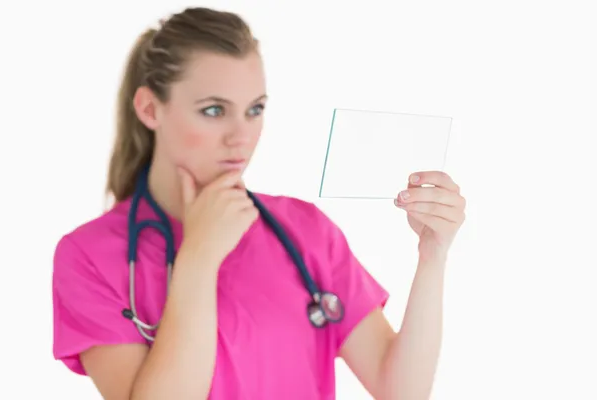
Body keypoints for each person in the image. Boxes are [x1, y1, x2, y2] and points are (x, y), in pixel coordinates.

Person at [51, 6, 466, 400]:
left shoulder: (304, 230)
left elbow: (401, 390)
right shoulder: (89, 256)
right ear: (149, 108)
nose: (241, 135)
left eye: (255, 109)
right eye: (213, 110)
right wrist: (198, 257)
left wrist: (433, 256)